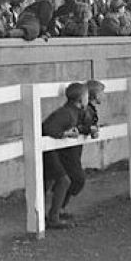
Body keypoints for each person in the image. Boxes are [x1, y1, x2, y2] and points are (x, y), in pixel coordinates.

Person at [41, 82, 91, 229]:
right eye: (87, 96)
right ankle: (53, 218)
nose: (88, 99)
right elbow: (48, 128)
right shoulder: (65, 113)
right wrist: (65, 134)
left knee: (67, 180)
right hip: (47, 150)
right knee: (63, 181)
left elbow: (82, 125)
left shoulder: (76, 112)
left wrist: (88, 130)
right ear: (80, 99)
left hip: (56, 151)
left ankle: (55, 213)